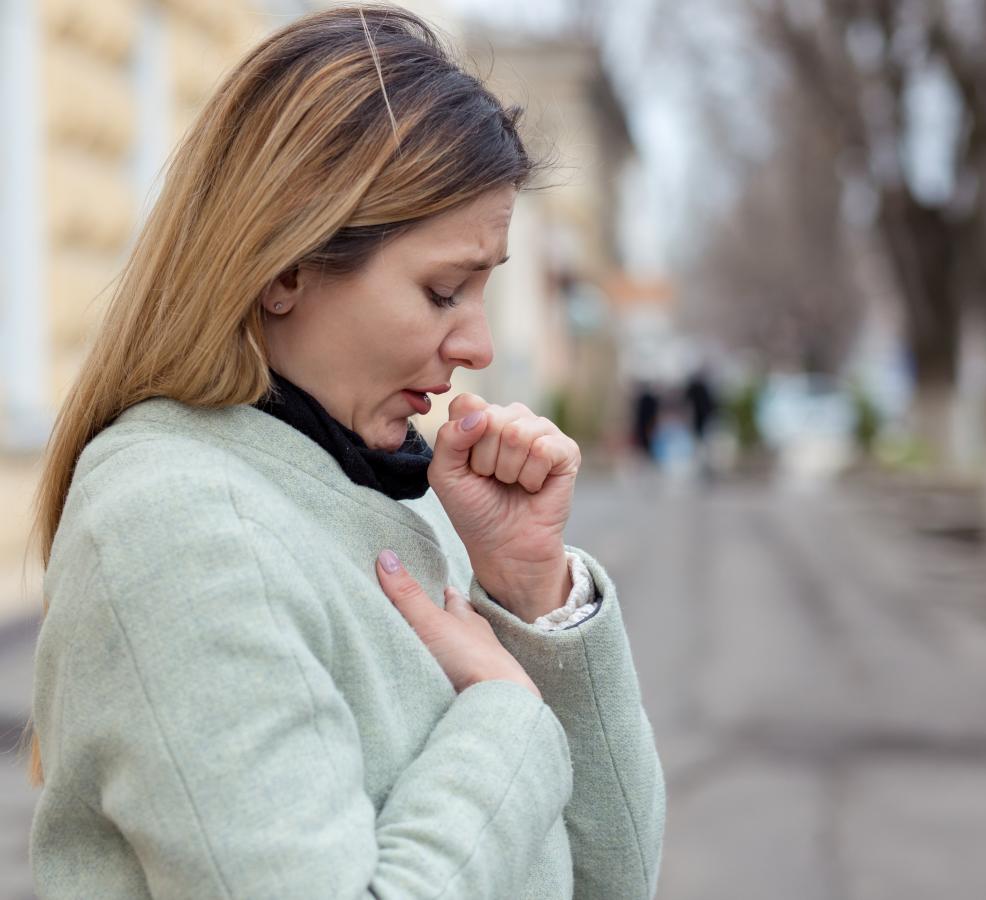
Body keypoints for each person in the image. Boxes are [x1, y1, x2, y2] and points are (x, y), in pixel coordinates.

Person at [25, 7, 665, 898]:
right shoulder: (177, 530)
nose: (478, 344)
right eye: (444, 291)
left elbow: (616, 879)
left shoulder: (383, 493)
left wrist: (531, 595)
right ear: (286, 267)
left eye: (484, 290)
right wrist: (508, 714)